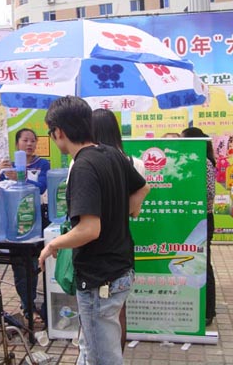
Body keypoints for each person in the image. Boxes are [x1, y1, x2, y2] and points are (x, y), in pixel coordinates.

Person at [39, 96, 150, 365]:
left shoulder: (83, 166)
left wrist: (53, 245)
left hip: (100, 278)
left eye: (51, 133)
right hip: (121, 270)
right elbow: (143, 188)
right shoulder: (111, 154)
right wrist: (120, 213)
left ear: (59, 132)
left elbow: (89, 230)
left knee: (102, 356)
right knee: (91, 348)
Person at [91, 108, 146, 352]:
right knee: (118, 309)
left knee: (93, 310)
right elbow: (134, 212)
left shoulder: (82, 163)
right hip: (122, 242)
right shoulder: (137, 164)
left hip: (92, 246)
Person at [0, 128, 50, 322]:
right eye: (25, 140)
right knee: (19, 268)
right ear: (17, 143)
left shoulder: (43, 164)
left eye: (33, 140)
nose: (30, 144)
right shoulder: (10, 165)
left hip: (34, 221)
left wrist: (21, 177)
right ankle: (28, 307)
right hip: (13, 223)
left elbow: (41, 187)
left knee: (33, 265)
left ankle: (32, 305)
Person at [181, 126, 217, 326]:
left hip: (203, 218)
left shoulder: (204, 163)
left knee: (203, 262)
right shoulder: (193, 161)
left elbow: (209, 193)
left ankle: (208, 310)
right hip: (193, 218)